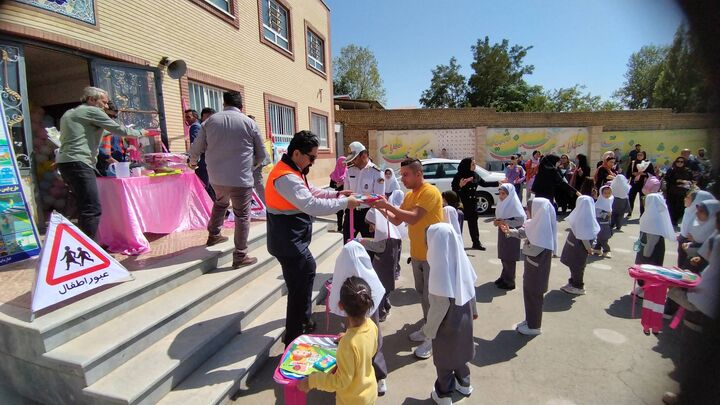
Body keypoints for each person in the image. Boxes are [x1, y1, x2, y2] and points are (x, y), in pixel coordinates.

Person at [265, 131, 359, 345]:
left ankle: (302, 324)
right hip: (288, 242)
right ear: (297, 153)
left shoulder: (293, 170)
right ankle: (294, 337)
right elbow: (311, 205)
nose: (313, 162)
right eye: (312, 157)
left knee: (302, 282)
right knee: (301, 284)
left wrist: (336, 195)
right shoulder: (286, 177)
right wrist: (345, 204)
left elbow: (310, 191)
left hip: (290, 241)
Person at [369, 158, 443, 359]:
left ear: (418, 174)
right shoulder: (411, 195)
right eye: (401, 174)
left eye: (406, 174)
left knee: (433, 299)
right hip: (418, 254)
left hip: (433, 256)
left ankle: (432, 339)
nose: (402, 178)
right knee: (423, 295)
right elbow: (397, 219)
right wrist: (379, 208)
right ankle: (428, 328)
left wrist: (388, 206)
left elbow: (413, 218)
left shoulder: (429, 192)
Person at [56, 86, 146, 241]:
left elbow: (100, 131)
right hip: (80, 163)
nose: (106, 106)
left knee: (81, 206)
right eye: (103, 102)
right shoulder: (91, 111)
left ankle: (79, 243)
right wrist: (141, 133)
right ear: (91, 99)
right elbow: (120, 130)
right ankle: (92, 250)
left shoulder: (70, 113)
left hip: (66, 163)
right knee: (91, 208)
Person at [189, 91, 266, 268]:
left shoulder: (210, 121)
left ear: (224, 104)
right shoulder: (249, 122)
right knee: (242, 215)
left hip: (216, 177)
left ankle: (214, 235)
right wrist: (251, 166)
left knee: (220, 202)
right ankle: (240, 255)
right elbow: (261, 154)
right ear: (241, 106)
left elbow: (196, 148)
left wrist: (192, 163)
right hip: (241, 178)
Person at [663, 211, 720, 405]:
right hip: (705, 311)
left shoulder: (717, 241)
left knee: (693, 356)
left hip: (702, 314)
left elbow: (703, 297)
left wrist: (676, 288)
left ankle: (686, 397)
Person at [299, 275, 379, 404]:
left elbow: (340, 381)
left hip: (352, 400)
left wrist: (311, 381)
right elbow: (369, 350)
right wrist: (348, 336)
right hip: (369, 391)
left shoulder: (348, 344)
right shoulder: (371, 325)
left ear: (341, 306)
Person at [425, 223, 478, 404]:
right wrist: (474, 312)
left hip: (446, 326)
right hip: (465, 318)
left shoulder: (439, 272)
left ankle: (444, 393)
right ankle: (465, 384)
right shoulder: (462, 261)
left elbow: (438, 310)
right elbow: (471, 290)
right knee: (461, 354)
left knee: (444, 361)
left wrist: (428, 330)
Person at [326, 242, 388, 396]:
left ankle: (375, 374)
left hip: (351, 396)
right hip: (368, 392)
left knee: (356, 347)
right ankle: (376, 376)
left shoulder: (348, 343)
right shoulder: (367, 282)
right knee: (370, 343)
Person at [500, 198, 557, 335]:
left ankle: (534, 326)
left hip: (537, 268)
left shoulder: (543, 228)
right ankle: (530, 319)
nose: (526, 211)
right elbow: (523, 233)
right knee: (529, 292)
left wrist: (525, 247)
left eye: (528, 209)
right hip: (531, 266)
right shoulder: (535, 223)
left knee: (534, 294)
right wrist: (509, 231)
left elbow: (533, 247)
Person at [360, 209, 402, 323]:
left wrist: (363, 242)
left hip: (383, 266)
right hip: (388, 264)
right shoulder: (389, 229)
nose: (370, 228)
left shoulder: (383, 234)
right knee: (385, 287)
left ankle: (381, 312)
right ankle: (386, 306)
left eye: (371, 225)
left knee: (379, 288)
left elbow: (379, 247)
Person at [451, 157, 499, 250]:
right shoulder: (459, 175)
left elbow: (484, 183)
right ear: (467, 165)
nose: (474, 166)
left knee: (473, 224)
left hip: (472, 203)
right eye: (472, 164)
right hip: (462, 204)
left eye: (475, 164)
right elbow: (454, 190)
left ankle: (476, 243)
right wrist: (460, 186)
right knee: (458, 224)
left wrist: (497, 183)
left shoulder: (475, 175)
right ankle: (456, 244)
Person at [343, 141, 385, 242]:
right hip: (351, 213)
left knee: (370, 248)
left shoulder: (377, 172)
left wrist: (357, 198)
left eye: (355, 159)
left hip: (368, 214)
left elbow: (378, 197)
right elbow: (346, 193)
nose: (352, 162)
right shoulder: (350, 171)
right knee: (348, 245)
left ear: (364, 155)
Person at [560, 196, 600, 295]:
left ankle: (578, 286)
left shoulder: (584, 218)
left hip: (578, 248)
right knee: (574, 266)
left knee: (577, 266)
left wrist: (589, 248)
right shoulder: (584, 215)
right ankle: (573, 282)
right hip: (574, 246)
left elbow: (584, 237)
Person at [493, 183, 526, 290]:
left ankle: (510, 281)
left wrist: (504, 221)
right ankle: (504, 276)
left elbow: (520, 220)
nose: (501, 196)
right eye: (500, 194)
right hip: (503, 232)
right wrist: (497, 222)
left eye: (504, 194)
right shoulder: (502, 203)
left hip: (512, 234)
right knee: (503, 255)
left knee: (509, 257)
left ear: (510, 194)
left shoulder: (514, 204)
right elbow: (499, 217)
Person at [678, 190, 714, 269]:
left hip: (696, 254)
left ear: (697, 201)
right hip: (687, 245)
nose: (685, 199)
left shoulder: (704, 219)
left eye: (688, 198)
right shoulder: (689, 211)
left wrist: (694, 240)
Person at [681, 200, 720, 273]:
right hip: (693, 265)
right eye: (697, 210)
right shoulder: (699, 225)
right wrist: (690, 244)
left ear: (712, 214)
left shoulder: (715, 232)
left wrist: (701, 260)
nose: (696, 213)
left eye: (701, 211)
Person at [185, 108, 215, 200]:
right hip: (208, 160)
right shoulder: (202, 126)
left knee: (204, 186)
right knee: (209, 186)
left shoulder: (195, 127)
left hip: (202, 161)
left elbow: (196, 145)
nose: (187, 119)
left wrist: (192, 159)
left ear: (196, 117)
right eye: (185, 117)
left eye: (188, 117)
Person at [96, 101, 127, 176]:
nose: (112, 119)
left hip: (117, 164)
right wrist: (109, 159)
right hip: (105, 166)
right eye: (110, 116)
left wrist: (127, 148)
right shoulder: (99, 127)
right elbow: (97, 146)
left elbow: (118, 145)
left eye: (114, 116)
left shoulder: (114, 127)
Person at [664, 156, 694, 226]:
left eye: (681, 162)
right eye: (678, 161)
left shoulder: (688, 171)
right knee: (671, 207)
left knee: (680, 207)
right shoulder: (671, 170)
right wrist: (678, 181)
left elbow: (691, 181)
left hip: (682, 193)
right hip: (672, 192)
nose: (679, 163)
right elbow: (667, 179)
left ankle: (677, 220)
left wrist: (685, 183)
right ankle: (671, 221)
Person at [248, 115, 269, 204]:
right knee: (253, 182)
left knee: (257, 182)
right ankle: (256, 201)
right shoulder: (253, 130)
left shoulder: (253, 131)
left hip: (258, 160)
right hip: (256, 160)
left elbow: (259, 148)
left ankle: (265, 203)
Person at [626, 151, 655, 218]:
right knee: (631, 198)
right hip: (634, 183)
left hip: (643, 184)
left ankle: (642, 214)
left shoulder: (647, 163)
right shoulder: (633, 163)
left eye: (641, 155)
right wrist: (633, 174)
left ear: (644, 156)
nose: (639, 156)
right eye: (638, 155)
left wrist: (643, 174)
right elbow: (628, 173)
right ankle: (629, 213)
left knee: (642, 199)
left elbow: (652, 173)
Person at [594, 185, 614, 257]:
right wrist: (606, 214)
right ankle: (607, 250)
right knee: (602, 237)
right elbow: (597, 212)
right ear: (601, 193)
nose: (607, 195)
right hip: (600, 222)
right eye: (605, 193)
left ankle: (597, 248)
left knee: (603, 236)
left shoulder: (610, 199)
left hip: (607, 222)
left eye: (609, 193)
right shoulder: (600, 201)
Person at [330, 156, 348, 233]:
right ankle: (340, 227)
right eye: (343, 162)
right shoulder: (334, 174)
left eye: (345, 162)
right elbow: (331, 185)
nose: (344, 164)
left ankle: (346, 226)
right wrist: (338, 185)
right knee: (339, 212)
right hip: (338, 194)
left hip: (347, 195)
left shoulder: (348, 172)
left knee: (347, 212)